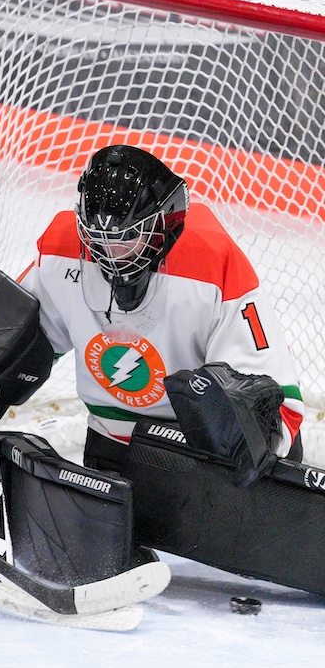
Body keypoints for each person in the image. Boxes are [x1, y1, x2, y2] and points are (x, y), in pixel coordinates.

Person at [16, 144, 305, 474]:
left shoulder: (211, 262)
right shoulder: (63, 249)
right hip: (115, 441)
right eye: (97, 236)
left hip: (204, 457)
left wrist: (235, 433)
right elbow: (14, 344)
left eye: (126, 236)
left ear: (161, 227)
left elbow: (280, 411)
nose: (108, 251)